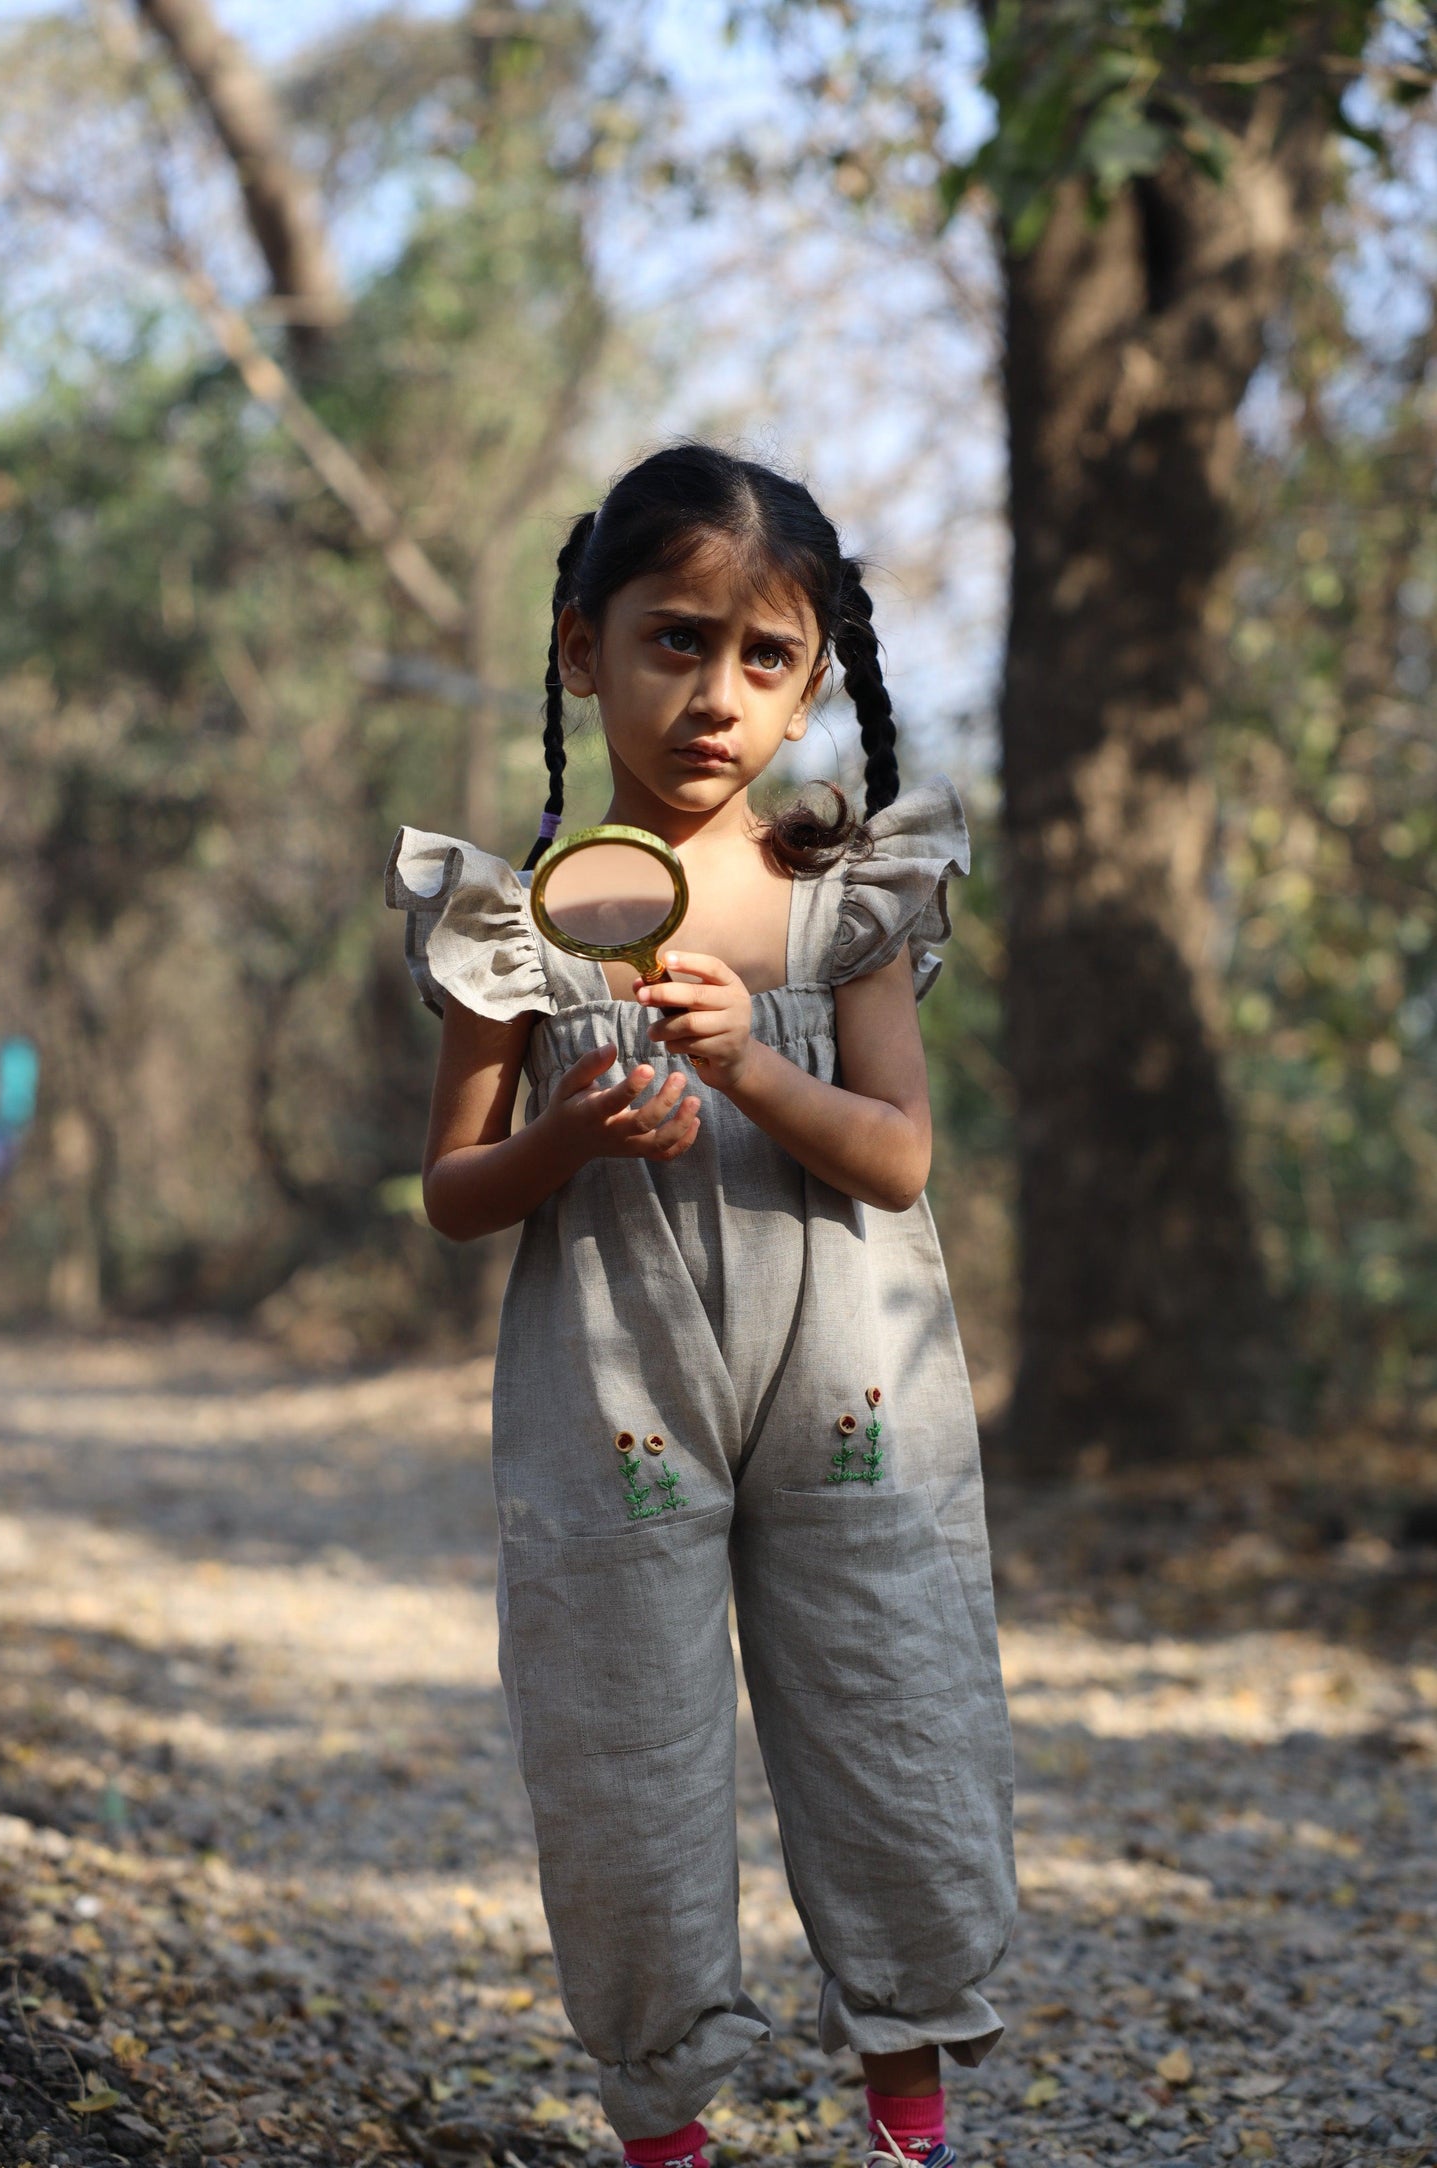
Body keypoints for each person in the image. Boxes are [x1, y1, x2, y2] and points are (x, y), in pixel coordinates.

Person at [386, 445, 1015, 2168]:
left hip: (847, 1375)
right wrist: (567, 1134)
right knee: (622, 1739)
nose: (717, 695)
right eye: (675, 639)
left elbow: (897, 1158)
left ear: (810, 687)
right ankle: (663, 2118)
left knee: (891, 1698)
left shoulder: (840, 900)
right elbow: (453, 1189)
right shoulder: (511, 926)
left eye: (764, 657)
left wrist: (749, 1066)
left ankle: (909, 2106)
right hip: (613, 1383)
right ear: (581, 650)